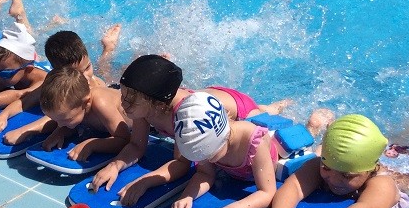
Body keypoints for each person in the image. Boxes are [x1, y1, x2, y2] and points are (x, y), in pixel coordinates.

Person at [99, 54, 290, 195]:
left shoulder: (185, 117)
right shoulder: (143, 107)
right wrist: (115, 165)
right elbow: (136, 145)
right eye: (123, 97)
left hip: (239, 110)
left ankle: (275, 107)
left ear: (156, 104)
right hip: (212, 97)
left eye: (130, 101)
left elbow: (182, 163)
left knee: (266, 127)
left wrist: (144, 182)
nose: (123, 105)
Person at [259, 114, 407, 208]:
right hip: (337, 158)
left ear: (369, 170)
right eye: (326, 168)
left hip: (397, 185)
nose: (335, 181)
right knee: (314, 157)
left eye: (347, 176)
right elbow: (293, 186)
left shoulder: (381, 183)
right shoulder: (319, 165)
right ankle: (317, 124)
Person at [135, 92, 278, 208]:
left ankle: (278, 106)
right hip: (235, 161)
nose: (203, 161)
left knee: (271, 121)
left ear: (220, 139)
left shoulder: (253, 141)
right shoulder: (208, 144)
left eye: (206, 155)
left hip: (267, 156)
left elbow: (267, 192)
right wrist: (188, 196)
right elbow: (205, 174)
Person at [0, 27, 120, 138]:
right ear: (58, 72)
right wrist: (3, 115)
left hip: (108, 90)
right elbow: (25, 100)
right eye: (77, 73)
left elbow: (58, 117)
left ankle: (108, 49)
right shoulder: (55, 84)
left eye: (87, 67)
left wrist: (25, 131)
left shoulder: (91, 90)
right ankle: (107, 50)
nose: (85, 77)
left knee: (104, 73)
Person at [22, 66, 131, 161]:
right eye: (56, 120)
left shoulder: (101, 104)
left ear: (87, 103)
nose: (59, 125)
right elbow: (71, 122)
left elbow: (125, 139)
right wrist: (60, 132)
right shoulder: (77, 106)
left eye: (66, 120)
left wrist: (92, 144)